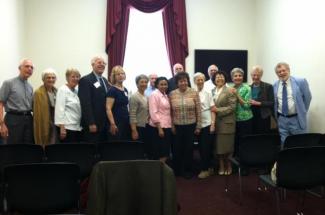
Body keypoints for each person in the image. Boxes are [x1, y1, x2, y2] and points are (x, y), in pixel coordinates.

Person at [170, 72, 201, 179]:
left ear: (187, 81)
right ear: (177, 83)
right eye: (180, 81)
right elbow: (170, 112)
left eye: (185, 80)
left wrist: (198, 126)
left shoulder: (194, 92)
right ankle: (177, 170)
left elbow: (199, 111)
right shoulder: (172, 94)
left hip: (191, 125)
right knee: (177, 149)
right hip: (177, 126)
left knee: (189, 149)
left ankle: (188, 170)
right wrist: (172, 126)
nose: (183, 83)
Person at [273, 62, 312, 144]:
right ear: (277, 74)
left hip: (296, 119)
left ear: (289, 70)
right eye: (279, 72)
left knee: (299, 143)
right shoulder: (275, 85)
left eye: (283, 70)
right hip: (282, 120)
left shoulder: (300, 82)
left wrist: (302, 111)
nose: (282, 73)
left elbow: (308, 98)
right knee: (284, 144)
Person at [0, 58, 34, 144]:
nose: (29, 69)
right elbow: (1, 103)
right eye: (27, 66)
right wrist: (2, 124)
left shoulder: (30, 87)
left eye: (31, 67)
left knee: (27, 148)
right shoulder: (9, 83)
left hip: (28, 119)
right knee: (13, 149)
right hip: (13, 119)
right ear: (20, 68)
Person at [78, 56, 111, 143]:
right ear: (92, 65)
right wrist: (91, 122)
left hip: (105, 124)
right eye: (99, 62)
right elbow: (85, 103)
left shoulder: (105, 80)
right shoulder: (85, 80)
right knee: (92, 150)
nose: (102, 65)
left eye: (104, 63)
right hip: (93, 124)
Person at [212, 71, 237, 175]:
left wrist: (217, 110)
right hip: (216, 123)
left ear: (225, 79)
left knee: (228, 147)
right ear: (214, 80)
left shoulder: (230, 90)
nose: (219, 79)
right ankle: (221, 165)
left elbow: (232, 107)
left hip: (227, 123)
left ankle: (229, 165)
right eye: (217, 77)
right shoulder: (212, 91)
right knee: (218, 147)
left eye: (221, 77)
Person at [193, 72, 216, 179]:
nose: (200, 81)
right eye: (198, 79)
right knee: (199, 147)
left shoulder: (208, 92)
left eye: (202, 79)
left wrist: (212, 124)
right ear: (194, 81)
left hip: (206, 122)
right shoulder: (192, 92)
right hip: (195, 122)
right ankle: (206, 167)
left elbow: (212, 109)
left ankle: (205, 169)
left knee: (205, 147)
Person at [230, 68, 253, 156]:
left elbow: (247, 105)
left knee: (245, 143)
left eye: (240, 76)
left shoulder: (247, 88)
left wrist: (237, 95)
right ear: (232, 78)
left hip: (246, 119)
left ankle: (245, 163)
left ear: (243, 77)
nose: (238, 77)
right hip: (234, 120)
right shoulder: (231, 89)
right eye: (235, 76)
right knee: (235, 143)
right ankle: (236, 164)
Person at [148, 77, 172, 163]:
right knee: (159, 152)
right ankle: (158, 173)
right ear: (157, 85)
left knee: (165, 151)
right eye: (161, 84)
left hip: (167, 126)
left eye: (165, 84)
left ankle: (162, 172)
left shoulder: (165, 95)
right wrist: (159, 128)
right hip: (157, 128)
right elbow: (153, 112)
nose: (164, 86)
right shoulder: (154, 94)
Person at [55, 68, 82, 143]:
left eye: (77, 77)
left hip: (76, 127)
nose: (75, 79)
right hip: (67, 128)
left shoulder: (76, 91)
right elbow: (59, 109)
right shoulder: (63, 90)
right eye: (73, 76)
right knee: (68, 152)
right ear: (67, 78)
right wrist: (62, 128)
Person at [33, 68, 57, 147]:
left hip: (55, 122)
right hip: (43, 122)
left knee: (54, 143)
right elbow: (37, 112)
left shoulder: (56, 91)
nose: (51, 79)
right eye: (48, 77)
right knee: (44, 143)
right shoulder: (38, 93)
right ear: (43, 79)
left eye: (53, 78)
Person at [106, 65, 130, 141]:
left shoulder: (125, 89)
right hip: (116, 122)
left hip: (125, 121)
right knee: (116, 144)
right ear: (114, 76)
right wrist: (112, 124)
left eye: (122, 73)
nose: (120, 75)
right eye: (118, 74)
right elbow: (108, 108)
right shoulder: (112, 90)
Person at [249, 65, 274, 134]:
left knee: (263, 136)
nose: (256, 77)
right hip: (251, 115)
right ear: (251, 75)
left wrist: (258, 103)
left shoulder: (268, 86)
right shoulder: (248, 87)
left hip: (264, 116)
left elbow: (272, 103)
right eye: (254, 75)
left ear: (261, 75)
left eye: (258, 75)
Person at [129, 74, 149, 155]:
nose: (144, 84)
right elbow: (132, 114)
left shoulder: (146, 96)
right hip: (138, 127)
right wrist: (134, 130)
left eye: (145, 82)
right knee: (138, 151)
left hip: (145, 126)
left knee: (144, 150)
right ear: (137, 84)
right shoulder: (134, 96)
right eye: (141, 82)